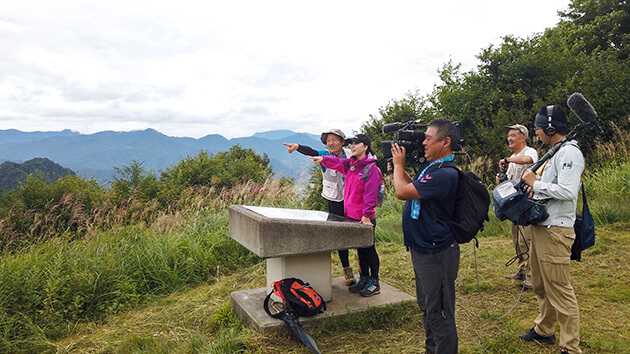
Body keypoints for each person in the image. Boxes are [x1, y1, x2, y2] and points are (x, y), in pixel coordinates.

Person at [390, 118, 460, 354]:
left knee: (439, 311)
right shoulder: (433, 169)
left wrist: (398, 165)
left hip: (437, 252)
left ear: (445, 142)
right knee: (428, 307)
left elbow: (401, 192)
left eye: (428, 139)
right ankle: (432, 350)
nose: (423, 144)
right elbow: (415, 190)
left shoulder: (446, 173)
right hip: (423, 249)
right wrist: (401, 171)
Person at [519, 105, 584, 354]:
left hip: (556, 230)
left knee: (559, 288)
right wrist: (533, 188)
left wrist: (536, 182)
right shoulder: (556, 153)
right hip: (542, 226)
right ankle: (544, 329)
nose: (537, 134)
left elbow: (568, 191)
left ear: (550, 127)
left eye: (537, 129)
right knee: (540, 284)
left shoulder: (570, 153)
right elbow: (550, 187)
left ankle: (570, 346)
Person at [310, 133, 382, 297]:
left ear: (365, 147)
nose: (352, 146)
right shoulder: (351, 165)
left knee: (369, 249)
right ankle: (364, 278)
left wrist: (367, 215)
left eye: (356, 143)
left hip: (365, 218)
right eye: (352, 144)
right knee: (361, 249)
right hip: (352, 217)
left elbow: (371, 195)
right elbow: (337, 162)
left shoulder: (371, 169)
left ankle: (375, 282)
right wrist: (323, 160)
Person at [283, 130, 358, 286]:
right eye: (328, 140)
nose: (330, 143)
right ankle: (347, 268)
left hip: (352, 198)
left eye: (334, 140)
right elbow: (312, 151)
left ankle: (361, 262)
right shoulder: (324, 154)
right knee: (340, 233)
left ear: (342, 142)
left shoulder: (351, 154)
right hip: (334, 199)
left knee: (357, 230)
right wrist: (298, 147)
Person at [496, 124, 539, 289]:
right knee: (517, 239)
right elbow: (510, 180)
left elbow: (528, 161)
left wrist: (508, 160)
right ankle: (521, 270)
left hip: (528, 203)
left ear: (523, 137)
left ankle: (531, 277)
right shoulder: (512, 158)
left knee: (527, 239)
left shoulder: (529, 151)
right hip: (515, 204)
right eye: (508, 135)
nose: (509, 138)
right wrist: (501, 180)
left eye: (513, 135)